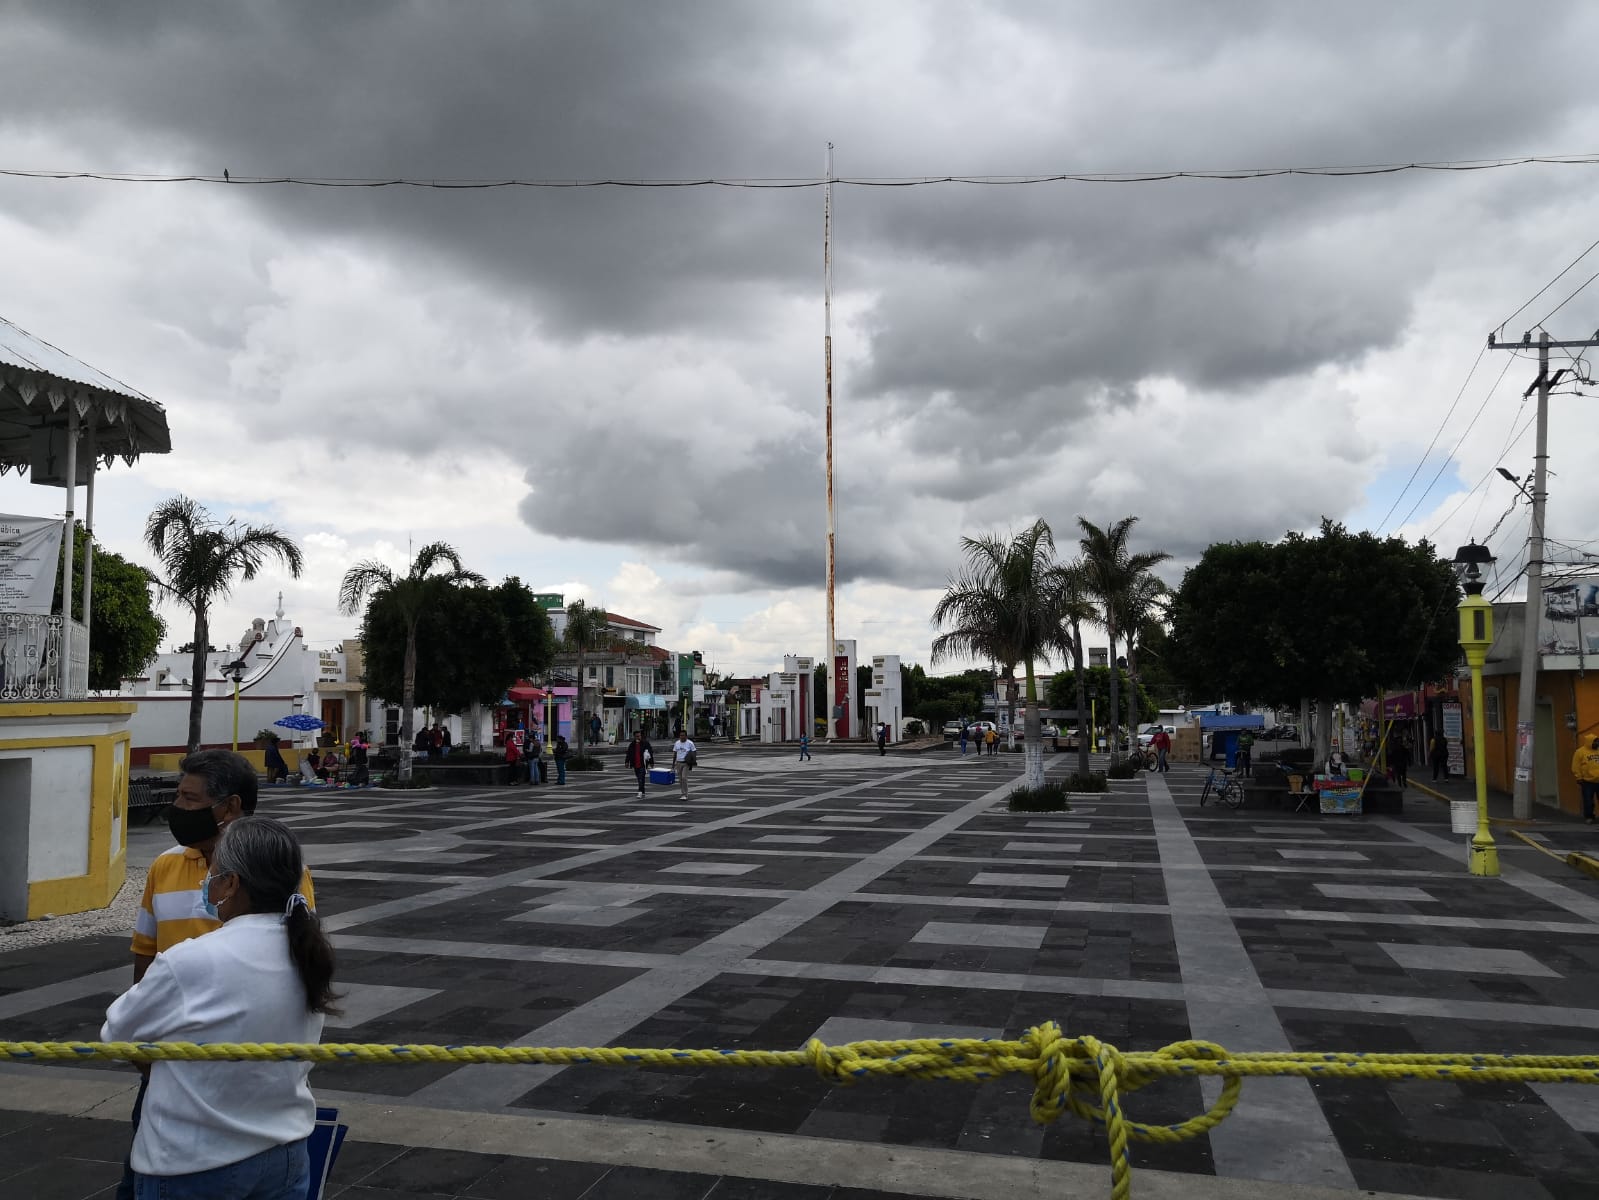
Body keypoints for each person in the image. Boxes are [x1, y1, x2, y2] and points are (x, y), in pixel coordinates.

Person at [105, 816, 337, 1200]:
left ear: (230, 883)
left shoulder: (190, 961)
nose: (206, 883)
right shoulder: (307, 954)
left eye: (211, 874)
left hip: (194, 1160)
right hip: (286, 1154)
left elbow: (117, 1033)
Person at [1572, 735, 1599, 824]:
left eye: (1597, 741)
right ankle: (1589, 817)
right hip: (1587, 781)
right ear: (1590, 742)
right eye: (1595, 741)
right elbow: (1576, 765)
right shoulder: (1580, 752)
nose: (1597, 743)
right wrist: (1578, 777)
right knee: (1588, 800)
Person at [625, 730, 651, 797]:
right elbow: (628, 754)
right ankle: (643, 791)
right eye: (637, 736)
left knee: (641, 777)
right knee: (640, 778)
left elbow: (650, 753)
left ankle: (640, 792)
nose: (638, 737)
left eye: (639, 736)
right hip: (635, 764)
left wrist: (651, 762)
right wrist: (627, 762)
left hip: (643, 764)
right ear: (634, 737)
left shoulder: (645, 743)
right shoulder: (632, 744)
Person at [672, 731, 697, 800]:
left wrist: (693, 760)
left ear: (686, 736)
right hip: (678, 763)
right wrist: (673, 764)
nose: (681, 737)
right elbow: (675, 754)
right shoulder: (677, 743)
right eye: (680, 735)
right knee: (680, 779)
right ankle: (682, 793)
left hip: (686, 763)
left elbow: (694, 752)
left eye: (683, 735)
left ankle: (685, 794)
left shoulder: (690, 743)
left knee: (684, 778)